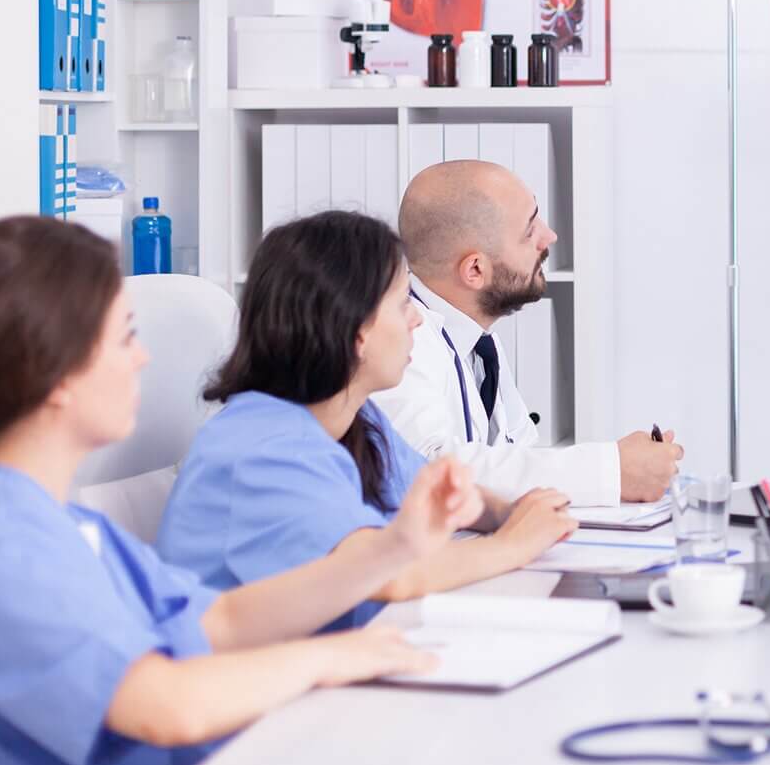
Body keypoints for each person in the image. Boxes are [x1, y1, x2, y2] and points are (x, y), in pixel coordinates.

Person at [0, 216, 483, 765]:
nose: (142, 357)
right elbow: (164, 706)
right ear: (56, 375)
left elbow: (222, 619)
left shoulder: (61, 525)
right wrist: (333, 659)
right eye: (125, 337)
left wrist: (396, 548)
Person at [157, 211, 577, 629]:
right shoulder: (264, 449)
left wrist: (512, 511)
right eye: (402, 303)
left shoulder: (358, 418)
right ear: (356, 332)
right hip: (254, 682)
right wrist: (513, 544)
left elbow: (447, 500)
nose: (417, 319)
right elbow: (384, 573)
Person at [369, 160, 682, 506]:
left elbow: (518, 453)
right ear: (475, 269)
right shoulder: (399, 343)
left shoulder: (478, 339)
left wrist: (625, 466)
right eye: (530, 230)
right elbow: (424, 469)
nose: (549, 237)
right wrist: (613, 470)